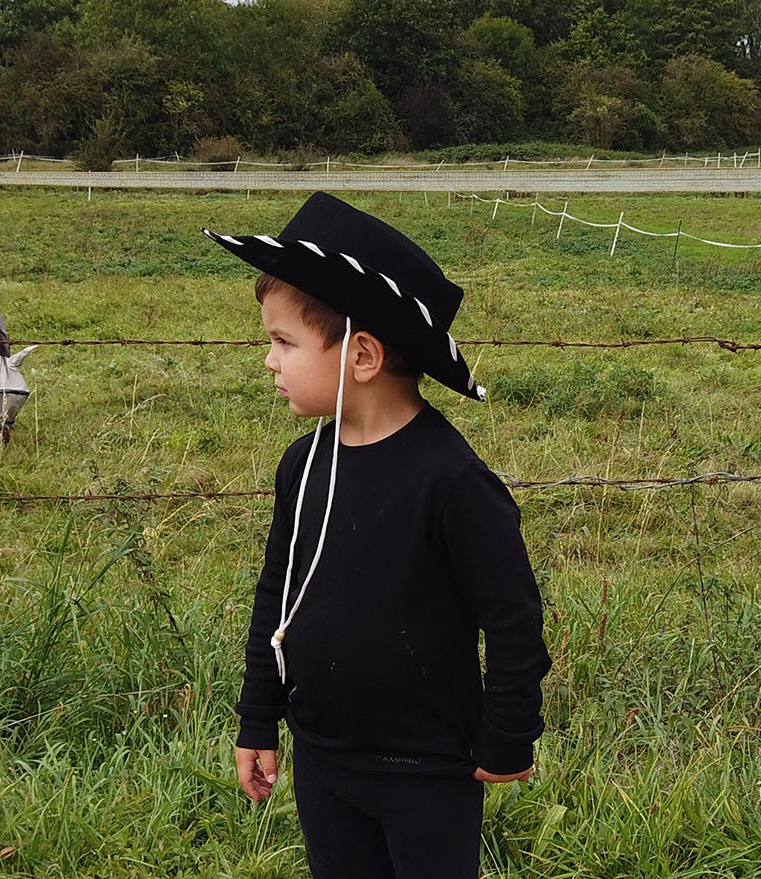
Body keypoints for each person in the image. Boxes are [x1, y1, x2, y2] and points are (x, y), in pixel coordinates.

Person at [203, 192, 551, 879]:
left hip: (429, 773)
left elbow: (513, 619)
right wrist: (257, 719)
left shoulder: (453, 482)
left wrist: (508, 737)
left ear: (362, 355)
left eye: (282, 342)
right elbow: (277, 598)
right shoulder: (302, 466)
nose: (268, 361)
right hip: (324, 759)